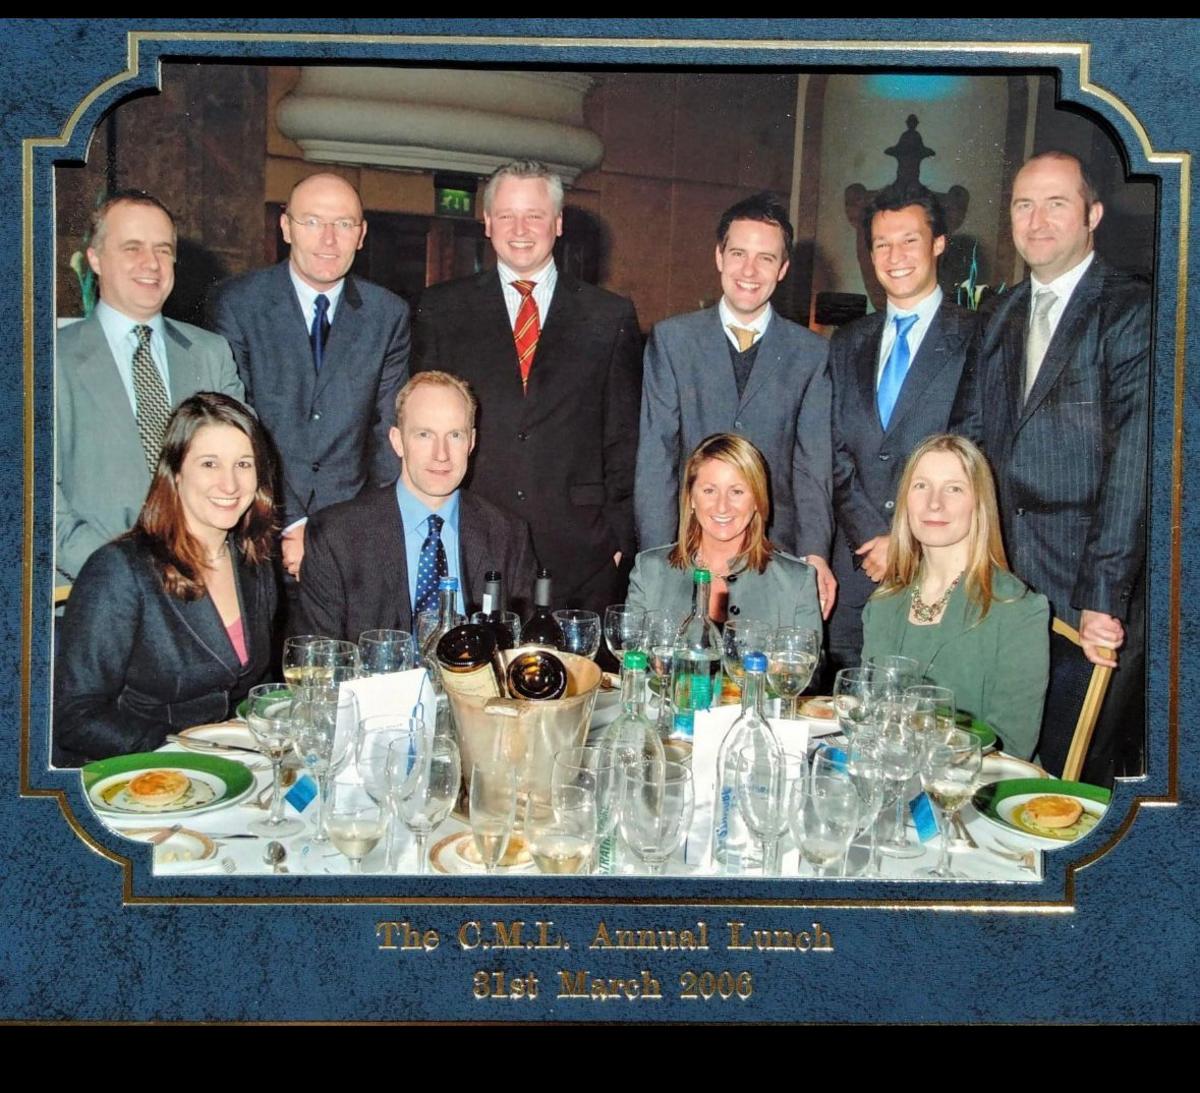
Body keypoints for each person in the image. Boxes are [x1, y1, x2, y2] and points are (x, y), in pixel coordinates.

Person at [952, 151, 1150, 783]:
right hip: (1005, 581)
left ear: (1092, 214)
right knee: (1002, 765)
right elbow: (971, 441)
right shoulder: (1001, 313)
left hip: (1086, 588)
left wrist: (1102, 596)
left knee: (1070, 779)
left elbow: (1135, 465)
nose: (1036, 221)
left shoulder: (1132, 310)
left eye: (1055, 203)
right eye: (1022, 204)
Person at [411, 160, 642, 615]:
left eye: (534, 215)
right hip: (473, 537)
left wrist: (618, 539)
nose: (520, 229)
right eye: (507, 214)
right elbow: (421, 427)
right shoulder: (441, 309)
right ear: (487, 221)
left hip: (579, 549)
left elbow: (625, 437)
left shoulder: (608, 316)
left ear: (557, 224)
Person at [634, 193, 835, 616]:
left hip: (774, 555)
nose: (749, 270)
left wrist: (815, 553)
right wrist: (659, 560)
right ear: (719, 257)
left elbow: (811, 464)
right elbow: (657, 456)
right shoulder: (673, 341)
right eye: (739, 253)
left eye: (766, 258)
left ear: (782, 270)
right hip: (690, 548)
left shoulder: (811, 354)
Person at [53, 393, 278, 767]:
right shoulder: (118, 571)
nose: (230, 484)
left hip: (234, 767)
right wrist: (180, 752)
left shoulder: (252, 562)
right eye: (209, 464)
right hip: (143, 773)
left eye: (243, 464)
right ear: (175, 473)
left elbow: (254, 687)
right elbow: (75, 716)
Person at [209, 172, 410, 578]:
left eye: (344, 224)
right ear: (285, 227)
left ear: (362, 234)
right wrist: (294, 523)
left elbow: (388, 437)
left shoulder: (388, 314)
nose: (329, 240)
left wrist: (342, 533)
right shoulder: (238, 304)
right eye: (313, 222)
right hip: (259, 528)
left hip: (352, 538)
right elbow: (235, 424)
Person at [827, 183, 980, 674]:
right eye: (881, 244)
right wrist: (873, 533)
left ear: (939, 244)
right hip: (854, 569)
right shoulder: (847, 340)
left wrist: (905, 538)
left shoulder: (978, 335)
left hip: (936, 568)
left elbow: (976, 448)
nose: (895, 257)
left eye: (910, 241)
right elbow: (830, 448)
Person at [56, 190, 245, 584]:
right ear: (94, 258)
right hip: (94, 593)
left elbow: (241, 472)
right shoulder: (51, 359)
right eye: (132, 248)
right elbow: (39, 502)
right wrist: (131, 577)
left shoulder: (211, 353)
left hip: (200, 586)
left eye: (163, 249)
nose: (151, 264)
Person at [295, 371, 536, 642]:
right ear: (397, 441)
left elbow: (521, 651)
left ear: (472, 442)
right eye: (424, 434)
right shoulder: (336, 536)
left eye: (455, 435)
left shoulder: (507, 534)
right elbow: (318, 661)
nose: (441, 454)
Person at [861, 434, 1049, 761]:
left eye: (954, 488)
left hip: (971, 792)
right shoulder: (882, 603)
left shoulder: (1018, 610)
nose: (935, 503)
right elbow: (872, 719)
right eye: (921, 486)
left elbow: (1011, 749)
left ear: (979, 504)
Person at [626, 433, 821, 631]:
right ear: (691, 498)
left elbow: (806, 659)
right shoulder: (649, 572)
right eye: (709, 491)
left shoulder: (796, 581)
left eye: (736, 492)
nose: (722, 507)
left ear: (757, 500)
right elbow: (630, 656)